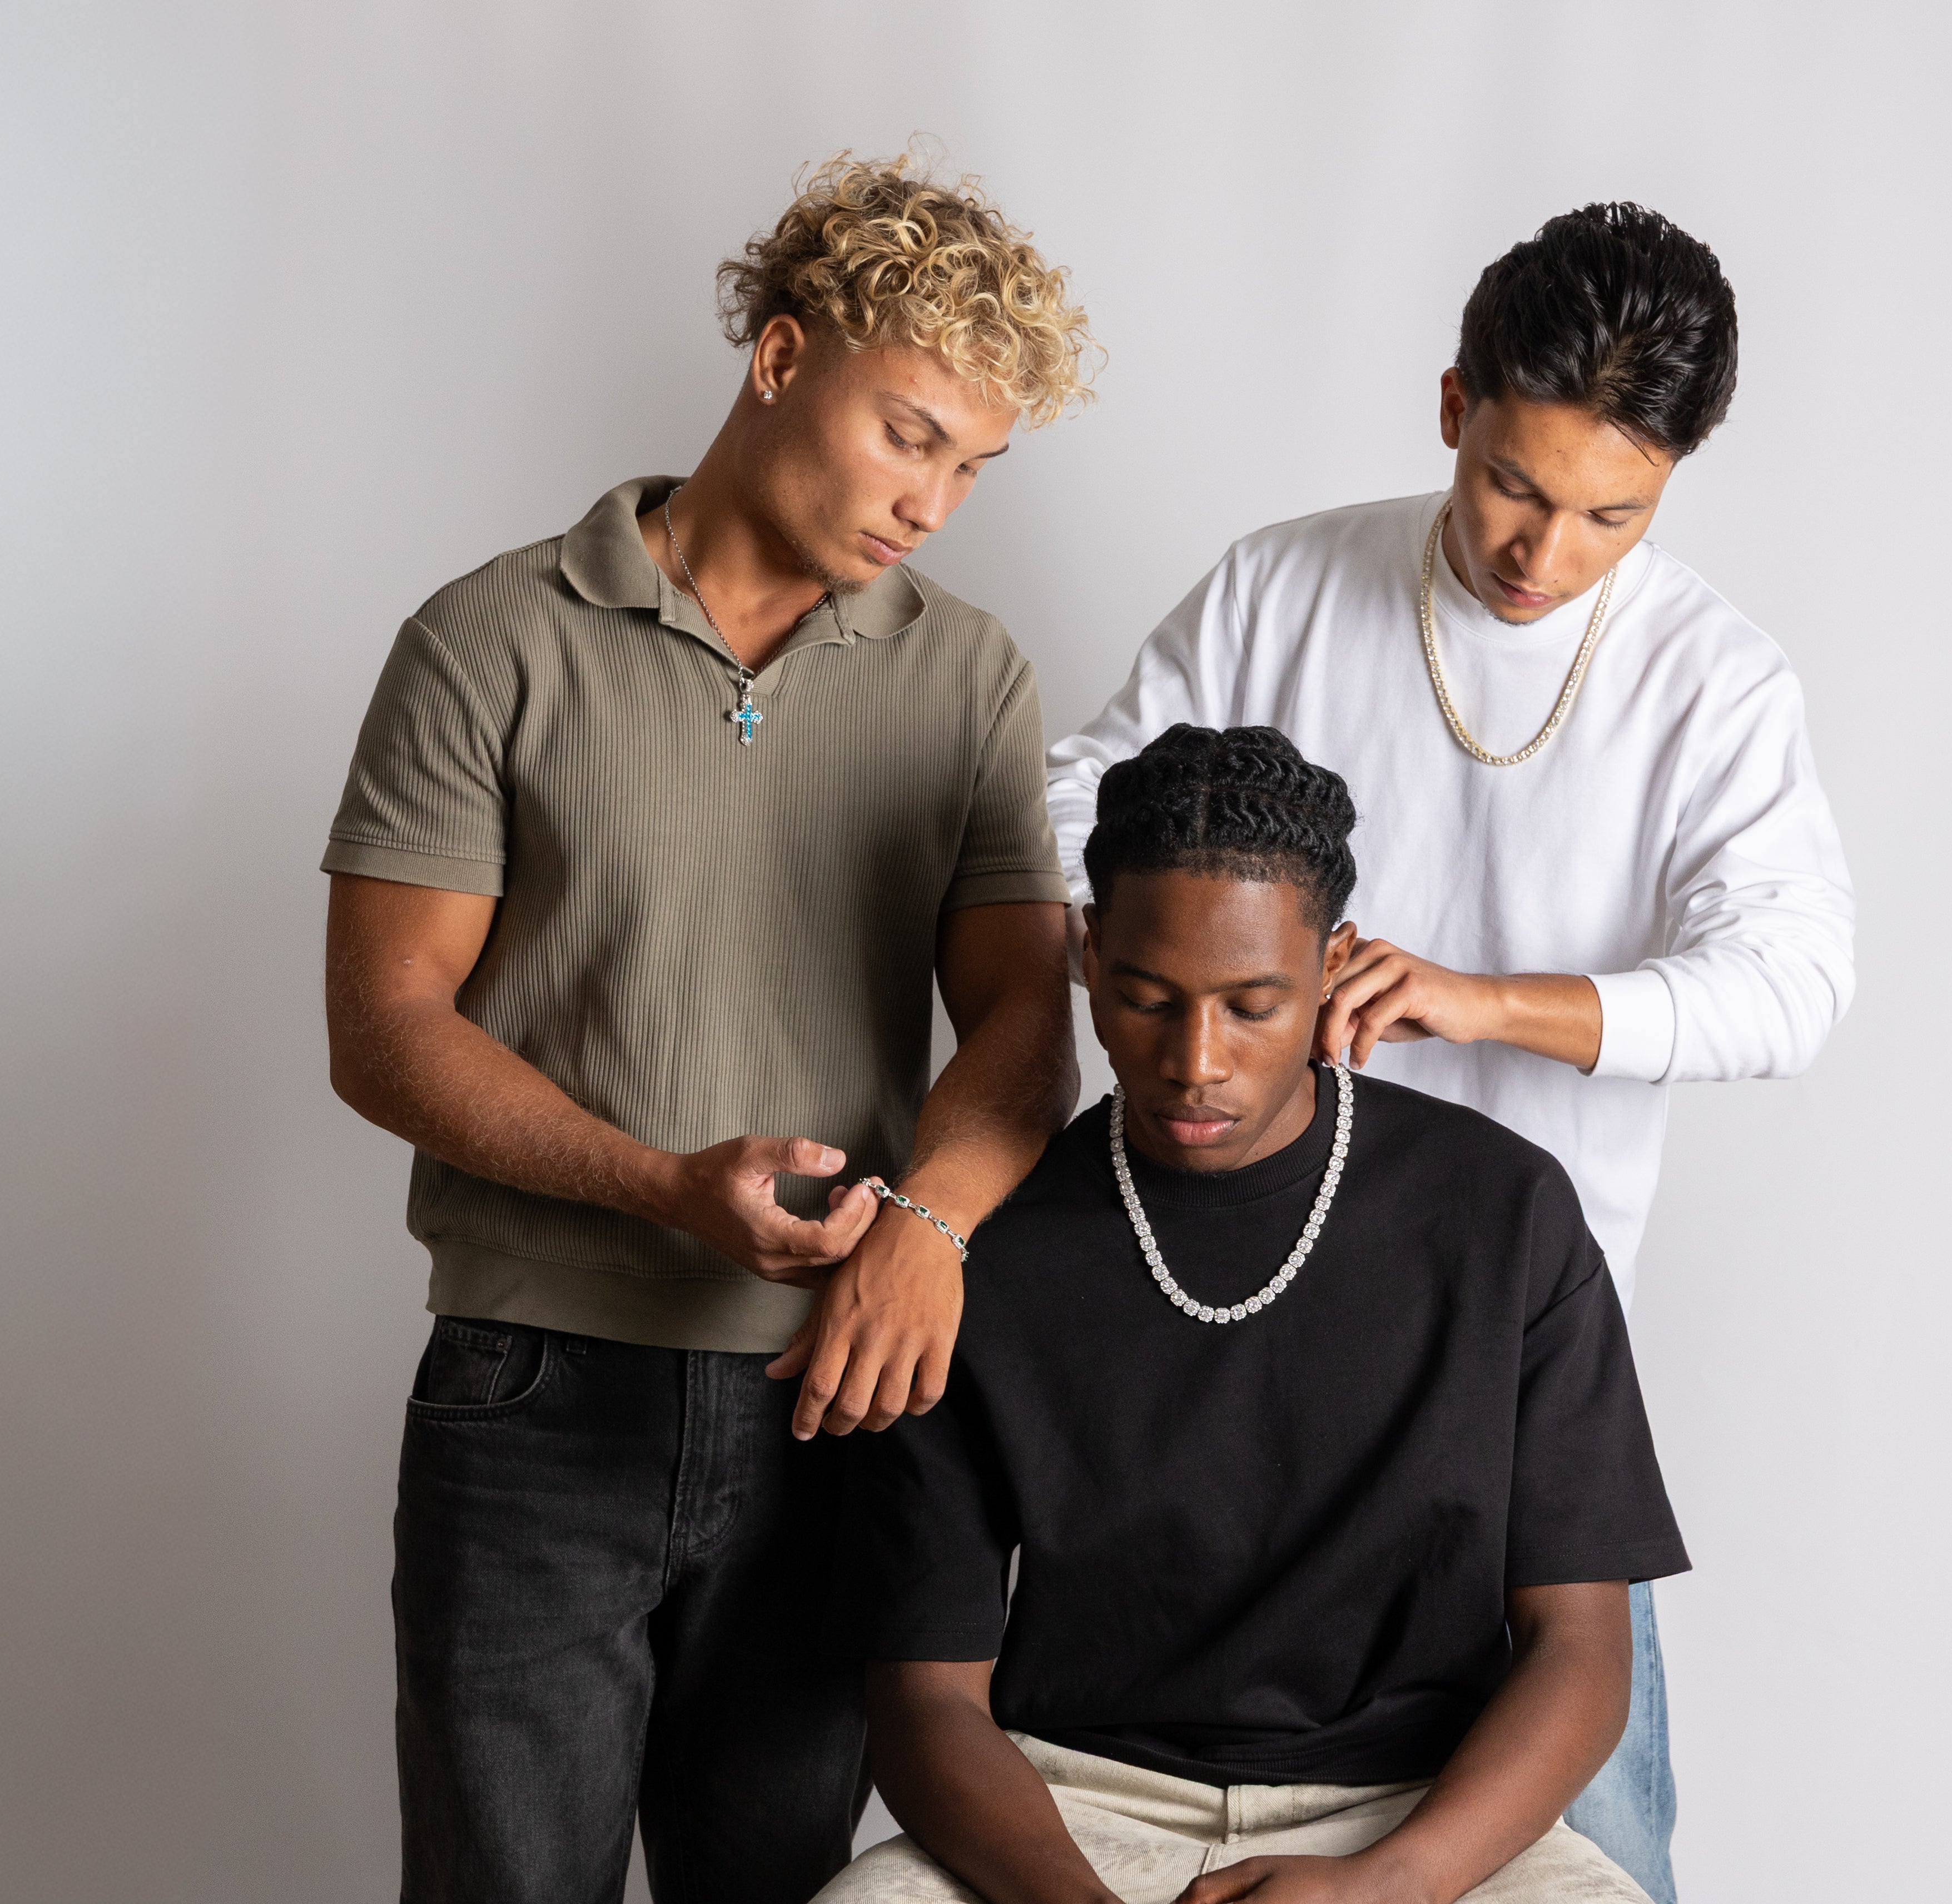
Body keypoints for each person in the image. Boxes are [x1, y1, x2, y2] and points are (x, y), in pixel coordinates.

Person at [1044, 203, 1857, 1898]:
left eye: (1607, 514)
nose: (1541, 552)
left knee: (1604, 1856)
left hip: (1514, 1359)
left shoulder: (1712, 681)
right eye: (1513, 484)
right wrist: (1209, 953)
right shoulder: (1285, 583)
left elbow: (1792, 983)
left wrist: (1479, 1000)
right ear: (1449, 408)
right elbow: (1068, 811)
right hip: (1220, 1327)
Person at [317, 154, 1095, 1904]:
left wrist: (933, 1226)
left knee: (778, 1884)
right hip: (532, 1390)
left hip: (831, 1391)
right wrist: (665, 1187)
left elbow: (1022, 1028)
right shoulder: (490, 640)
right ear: (781, 357)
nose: (934, 503)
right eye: (911, 433)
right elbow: (380, 1026)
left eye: (974, 465)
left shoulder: (965, 674)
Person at [822, 724, 1688, 1904]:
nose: (1194, 1060)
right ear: (1086, 954)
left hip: (1419, 1812)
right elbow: (924, 1695)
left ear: (1335, 966)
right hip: (1069, 1807)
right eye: (1143, 997)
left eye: (1252, 1005)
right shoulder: (976, 1249)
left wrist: (1389, 1884)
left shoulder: (1501, 1213)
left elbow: (1580, 1649)